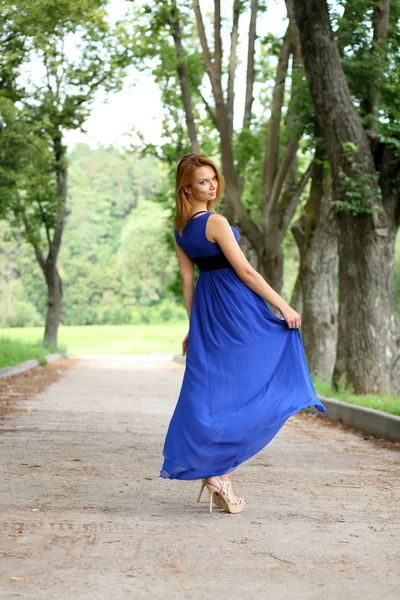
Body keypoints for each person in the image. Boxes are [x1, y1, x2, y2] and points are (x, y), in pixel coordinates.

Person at [159, 153, 326, 514]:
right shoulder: (214, 221)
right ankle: (221, 473)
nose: (213, 185)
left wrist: (195, 326)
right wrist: (283, 305)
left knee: (218, 388)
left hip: (209, 310)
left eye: (214, 178)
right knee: (251, 379)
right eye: (203, 181)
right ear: (187, 187)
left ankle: (219, 473)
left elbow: (189, 283)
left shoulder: (179, 229)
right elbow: (247, 273)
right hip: (235, 306)